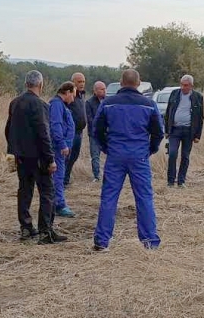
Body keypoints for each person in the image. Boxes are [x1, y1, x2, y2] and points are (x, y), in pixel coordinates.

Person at [92, 69, 164, 251]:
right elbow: (158, 132)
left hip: (115, 154)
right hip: (139, 155)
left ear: (121, 83)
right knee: (144, 197)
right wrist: (150, 149)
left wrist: (106, 148)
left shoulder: (108, 103)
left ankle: (102, 241)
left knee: (109, 197)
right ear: (138, 83)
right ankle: (149, 241)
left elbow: (97, 130)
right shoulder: (148, 104)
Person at [5, 70, 67, 244]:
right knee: (47, 192)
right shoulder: (40, 105)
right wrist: (50, 159)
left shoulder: (15, 103)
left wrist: (15, 150)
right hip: (39, 157)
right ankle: (45, 231)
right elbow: (43, 134)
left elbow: (8, 129)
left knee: (24, 191)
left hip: (22, 157)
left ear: (26, 84)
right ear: (41, 84)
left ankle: (26, 228)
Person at [164, 74, 204, 188]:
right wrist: (166, 130)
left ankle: (181, 181)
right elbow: (168, 113)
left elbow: (200, 118)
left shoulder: (198, 97)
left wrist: (198, 135)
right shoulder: (174, 94)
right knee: (172, 154)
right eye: (181, 84)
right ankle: (170, 181)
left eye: (186, 85)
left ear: (191, 86)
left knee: (185, 156)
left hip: (189, 131)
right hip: (174, 130)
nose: (183, 87)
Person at [49, 82, 77, 217]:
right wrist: (62, 144)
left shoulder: (62, 105)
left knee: (60, 175)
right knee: (58, 177)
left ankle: (57, 203)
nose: (73, 99)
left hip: (62, 148)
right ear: (67, 92)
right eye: (73, 95)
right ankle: (59, 205)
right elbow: (56, 126)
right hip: (58, 148)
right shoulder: (56, 105)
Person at [64, 72, 87, 187]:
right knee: (66, 157)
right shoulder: (68, 95)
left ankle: (66, 178)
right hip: (70, 133)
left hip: (79, 132)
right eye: (79, 82)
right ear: (73, 82)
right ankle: (63, 180)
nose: (82, 84)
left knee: (74, 156)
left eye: (83, 81)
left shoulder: (81, 95)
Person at [86, 81, 107, 182]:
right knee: (95, 155)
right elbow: (90, 120)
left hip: (107, 133)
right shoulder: (89, 103)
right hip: (94, 133)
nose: (104, 91)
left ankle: (109, 174)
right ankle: (97, 176)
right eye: (101, 89)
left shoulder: (108, 101)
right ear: (95, 90)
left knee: (111, 153)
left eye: (104, 89)